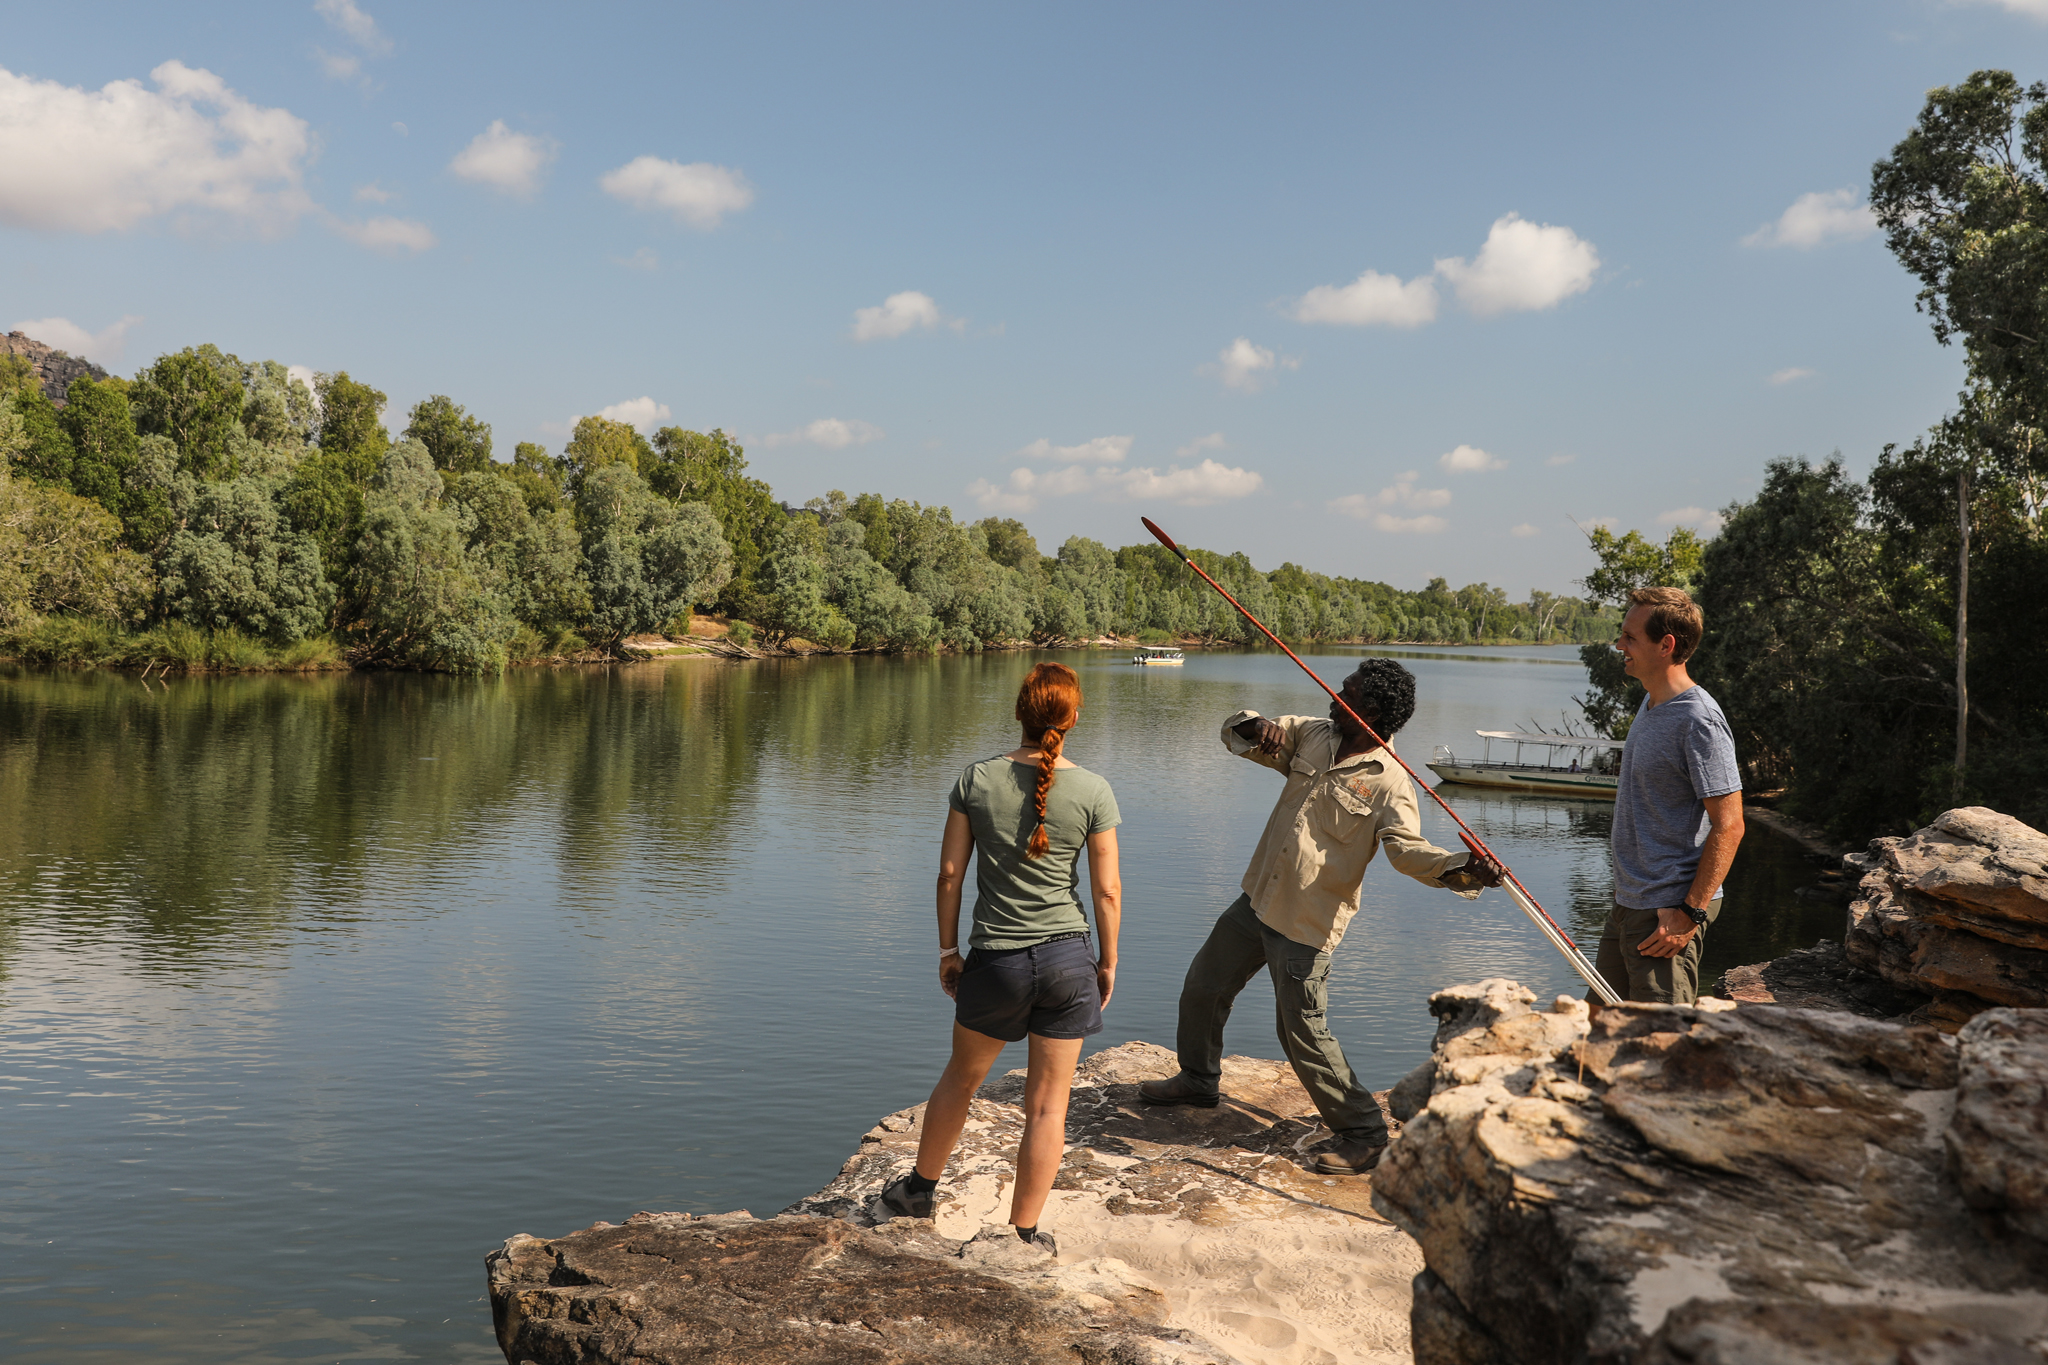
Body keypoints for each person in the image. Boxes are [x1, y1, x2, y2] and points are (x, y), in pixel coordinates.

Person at [1138, 658, 1502, 1175]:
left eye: (1346, 691)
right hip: (1258, 899)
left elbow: (1406, 852)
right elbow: (1237, 733)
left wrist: (1463, 867)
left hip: (1307, 923)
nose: (1333, 695)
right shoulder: (1313, 734)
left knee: (1301, 1031)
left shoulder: (1392, 782)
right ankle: (1198, 1081)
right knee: (1203, 985)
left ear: (1371, 710)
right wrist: (1251, 725)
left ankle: (1365, 1132)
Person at [878, 662, 1121, 1252]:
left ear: (1020, 711)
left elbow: (948, 876)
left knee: (961, 1079)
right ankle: (1025, 1235)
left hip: (998, 962)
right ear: (1073, 717)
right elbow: (1107, 892)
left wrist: (947, 950)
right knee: (1047, 1106)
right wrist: (1106, 963)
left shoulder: (976, 780)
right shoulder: (1093, 790)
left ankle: (918, 1190)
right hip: (1069, 962)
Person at [1589, 586, 1744, 1007]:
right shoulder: (1652, 701)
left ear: (1666, 645)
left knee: (1657, 1041)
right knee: (1594, 1022)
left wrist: (1688, 914)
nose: (1619, 644)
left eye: (1630, 637)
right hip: (1631, 901)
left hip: (1667, 910)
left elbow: (1730, 825)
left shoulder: (1698, 720)